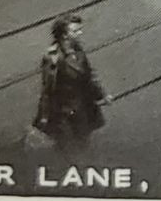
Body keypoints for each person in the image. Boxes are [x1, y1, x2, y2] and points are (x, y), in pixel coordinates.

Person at [32, 13, 108, 155]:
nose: (80, 33)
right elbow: (48, 89)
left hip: (82, 104)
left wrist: (101, 95)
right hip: (64, 110)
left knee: (83, 140)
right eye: (75, 31)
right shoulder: (53, 57)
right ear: (64, 35)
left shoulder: (77, 49)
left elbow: (89, 75)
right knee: (67, 145)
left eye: (79, 29)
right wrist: (44, 116)